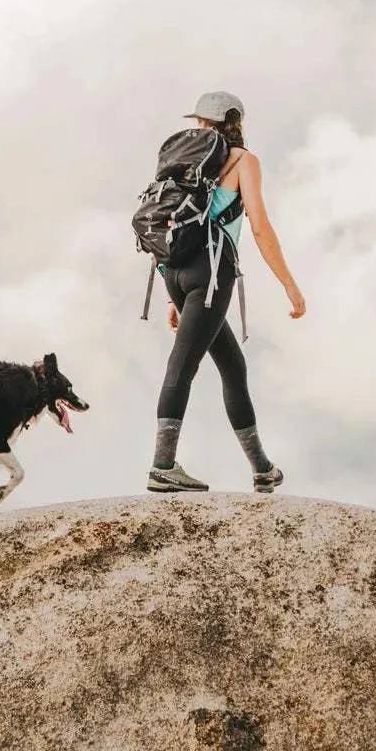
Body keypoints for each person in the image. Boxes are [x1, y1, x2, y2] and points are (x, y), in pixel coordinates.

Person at [147, 90, 306, 494]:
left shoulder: (179, 161)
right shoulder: (242, 161)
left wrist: (171, 295)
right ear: (236, 122)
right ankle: (162, 467)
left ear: (202, 122)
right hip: (211, 274)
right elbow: (258, 226)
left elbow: (168, 220)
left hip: (175, 271)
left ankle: (262, 469)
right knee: (181, 366)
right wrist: (289, 284)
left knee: (233, 368)